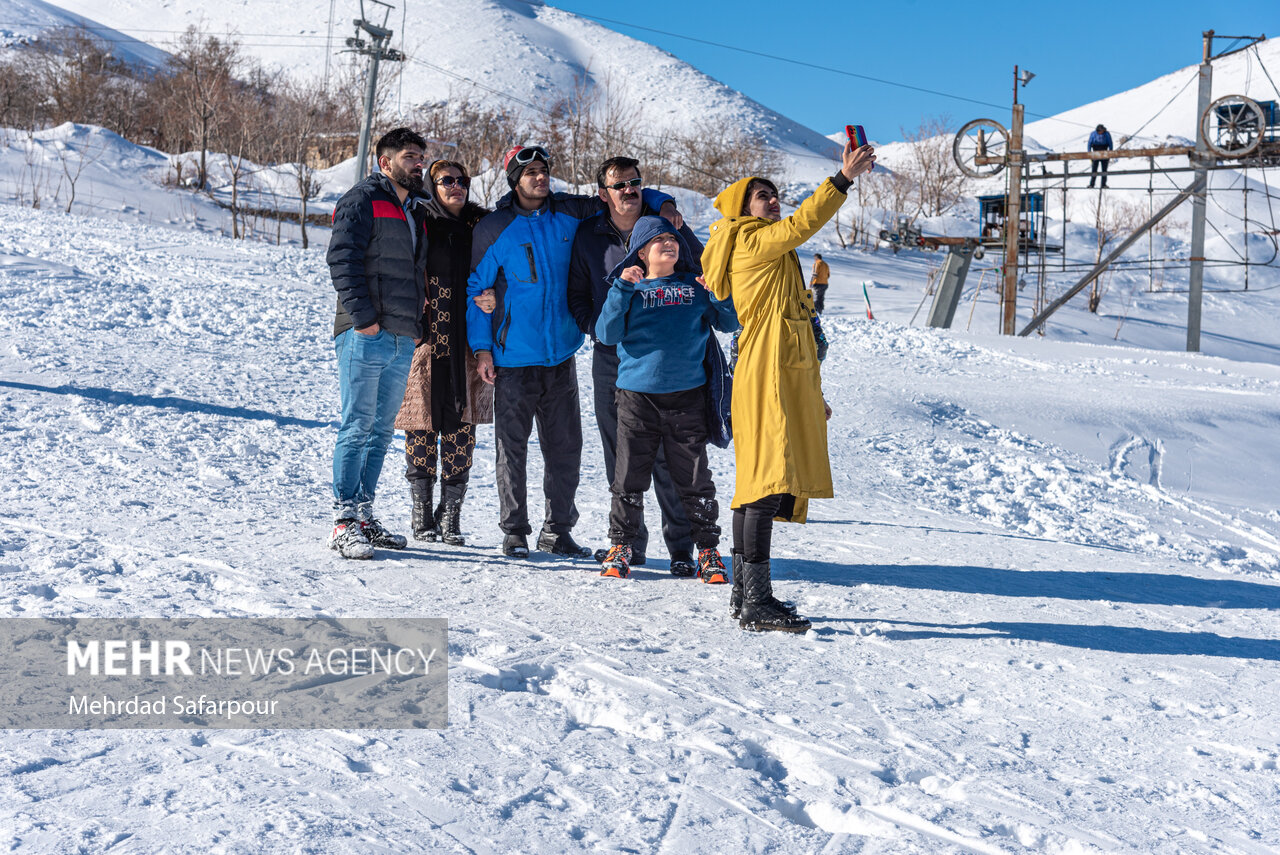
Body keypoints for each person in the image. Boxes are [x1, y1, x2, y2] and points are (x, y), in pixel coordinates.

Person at [467, 145, 684, 559]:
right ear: (515, 179)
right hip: (512, 357)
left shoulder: (571, 212)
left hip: (561, 355)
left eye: (544, 170)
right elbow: (476, 290)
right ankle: (514, 531)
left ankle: (558, 529)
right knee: (512, 450)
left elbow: (623, 194)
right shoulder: (494, 227)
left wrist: (666, 201)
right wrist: (481, 348)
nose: (540, 177)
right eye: (529, 172)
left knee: (565, 449)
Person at [702, 139, 876, 632]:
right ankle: (756, 601)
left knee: (756, 482)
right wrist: (842, 179)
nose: (772, 200)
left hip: (779, 371)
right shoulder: (752, 240)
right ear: (742, 207)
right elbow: (804, 224)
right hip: (767, 373)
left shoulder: (772, 250)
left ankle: (744, 596)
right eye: (761, 195)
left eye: (774, 193)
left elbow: (798, 323)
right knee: (763, 482)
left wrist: (811, 394)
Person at [568, 156, 703, 576]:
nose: (629, 190)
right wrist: (599, 330)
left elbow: (700, 269)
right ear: (603, 193)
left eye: (635, 183)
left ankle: (681, 547)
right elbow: (576, 293)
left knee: (671, 455)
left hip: (667, 359)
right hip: (612, 358)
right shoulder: (588, 235)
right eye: (620, 185)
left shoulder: (665, 225)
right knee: (622, 453)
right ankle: (629, 544)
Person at [594, 216, 740, 582]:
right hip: (637, 399)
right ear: (641, 252)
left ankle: (707, 551)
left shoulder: (695, 284)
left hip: (687, 398)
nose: (668, 244)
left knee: (694, 479)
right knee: (628, 477)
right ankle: (622, 547)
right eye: (658, 240)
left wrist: (718, 294)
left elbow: (728, 322)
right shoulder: (630, 286)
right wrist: (621, 291)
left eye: (672, 238)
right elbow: (607, 333)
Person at [325, 128, 430, 559]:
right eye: (410, 156)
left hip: (402, 335)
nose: (419, 163)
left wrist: (417, 324)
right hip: (364, 333)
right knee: (357, 426)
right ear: (385, 162)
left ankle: (364, 517)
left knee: (382, 431)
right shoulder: (362, 199)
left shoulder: (416, 211)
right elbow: (341, 259)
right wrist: (364, 320)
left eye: (421, 156)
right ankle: (343, 521)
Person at [394, 160, 493, 546]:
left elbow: (500, 267)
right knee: (421, 424)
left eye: (462, 181)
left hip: (469, 342)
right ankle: (422, 514)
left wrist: (495, 293)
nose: (456, 187)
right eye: (446, 181)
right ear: (433, 185)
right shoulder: (420, 218)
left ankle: (451, 516)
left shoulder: (480, 225)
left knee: (461, 426)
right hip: (425, 339)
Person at [1088, 124, 1112, 189]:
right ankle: (1092, 184)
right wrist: (1089, 153)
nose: (1102, 132)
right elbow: (1089, 143)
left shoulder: (1106, 134)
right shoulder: (1093, 134)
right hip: (1096, 151)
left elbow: (1110, 143)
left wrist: (1110, 153)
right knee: (1094, 169)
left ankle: (1103, 184)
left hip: (1104, 151)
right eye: (1100, 131)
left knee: (1104, 170)